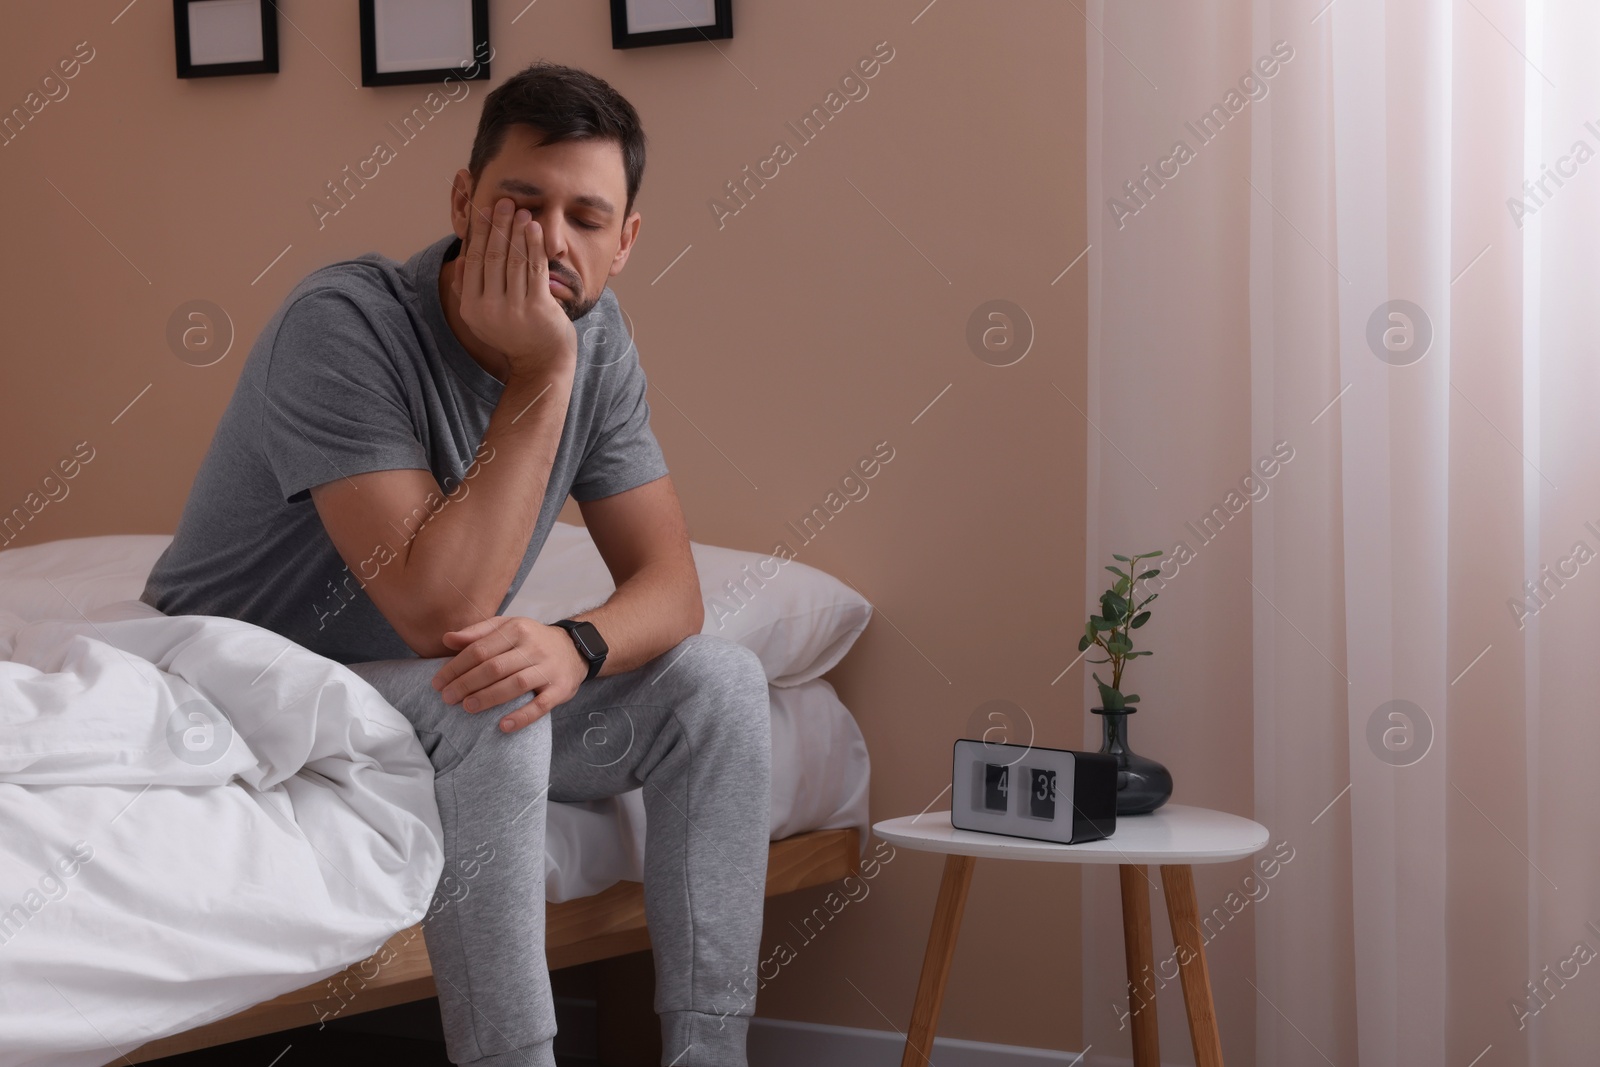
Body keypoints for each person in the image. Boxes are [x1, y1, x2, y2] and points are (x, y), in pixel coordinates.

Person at [140, 61, 771, 1067]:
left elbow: (673, 588)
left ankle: (709, 1053)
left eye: (585, 216)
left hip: (399, 697)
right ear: (464, 200)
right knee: (494, 701)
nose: (553, 242)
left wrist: (577, 643)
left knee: (720, 682)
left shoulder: (598, 338)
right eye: (524, 205)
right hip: (236, 682)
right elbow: (438, 606)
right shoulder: (344, 325)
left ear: (627, 240)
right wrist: (544, 367)